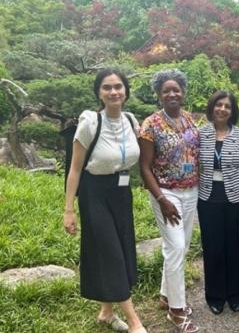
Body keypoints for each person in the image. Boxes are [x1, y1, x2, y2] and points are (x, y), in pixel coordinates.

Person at [63, 69, 146, 333]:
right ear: (99, 92)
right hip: (94, 192)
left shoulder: (132, 121)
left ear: (126, 91)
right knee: (110, 252)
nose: (114, 92)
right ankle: (135, 322)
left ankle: (106, 312)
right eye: (107, 87)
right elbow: (74, 169)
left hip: (121, 192)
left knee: (121, 249)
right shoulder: (90, 123)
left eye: (118, 86)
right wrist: (69, 210)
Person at [139, 69, 199, 333]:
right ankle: (177, 310)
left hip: (191, 191)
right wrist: (162, 199)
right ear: (159, 95)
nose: (172, 94)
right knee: (175, 246)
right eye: (167, 91)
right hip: (166, 193)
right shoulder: (150, 125)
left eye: (176, 90)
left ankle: (166, 295)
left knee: (181, 247)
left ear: (183, 92)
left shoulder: (190, 119)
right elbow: (144, 167)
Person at [197, 90, 239, 315]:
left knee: (236, 249)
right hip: (207, 199)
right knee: (213, 248)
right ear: (212, 107)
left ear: (232, 111)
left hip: (236, 201)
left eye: (227, 106)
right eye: (218, 105)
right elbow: (189, 164)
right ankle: (215, 296)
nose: (222, 109)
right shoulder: (200, 134)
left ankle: (236, 295)